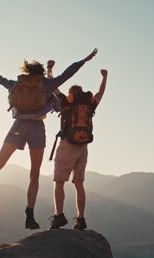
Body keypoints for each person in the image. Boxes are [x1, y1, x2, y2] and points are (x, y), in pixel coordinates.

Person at [0, 49, 98, 230]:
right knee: (34, 174)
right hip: (37, 128)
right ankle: (30, 216)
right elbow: (69, 73)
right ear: (40, 73)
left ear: (26, 71)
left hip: (18, 127)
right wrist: (84, 59)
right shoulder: (46, 85)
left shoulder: (16, 84)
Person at [46, 61, 108, 230]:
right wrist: (104, 77)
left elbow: (52, 86)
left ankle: (59, 216)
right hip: (83, 147)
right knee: (79, 184)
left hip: (67, 146)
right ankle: (81, 219)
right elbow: (100, 93)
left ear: (71, 93)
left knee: (59, 182)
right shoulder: (89, 105)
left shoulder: (66, 102)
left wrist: (50, 69)